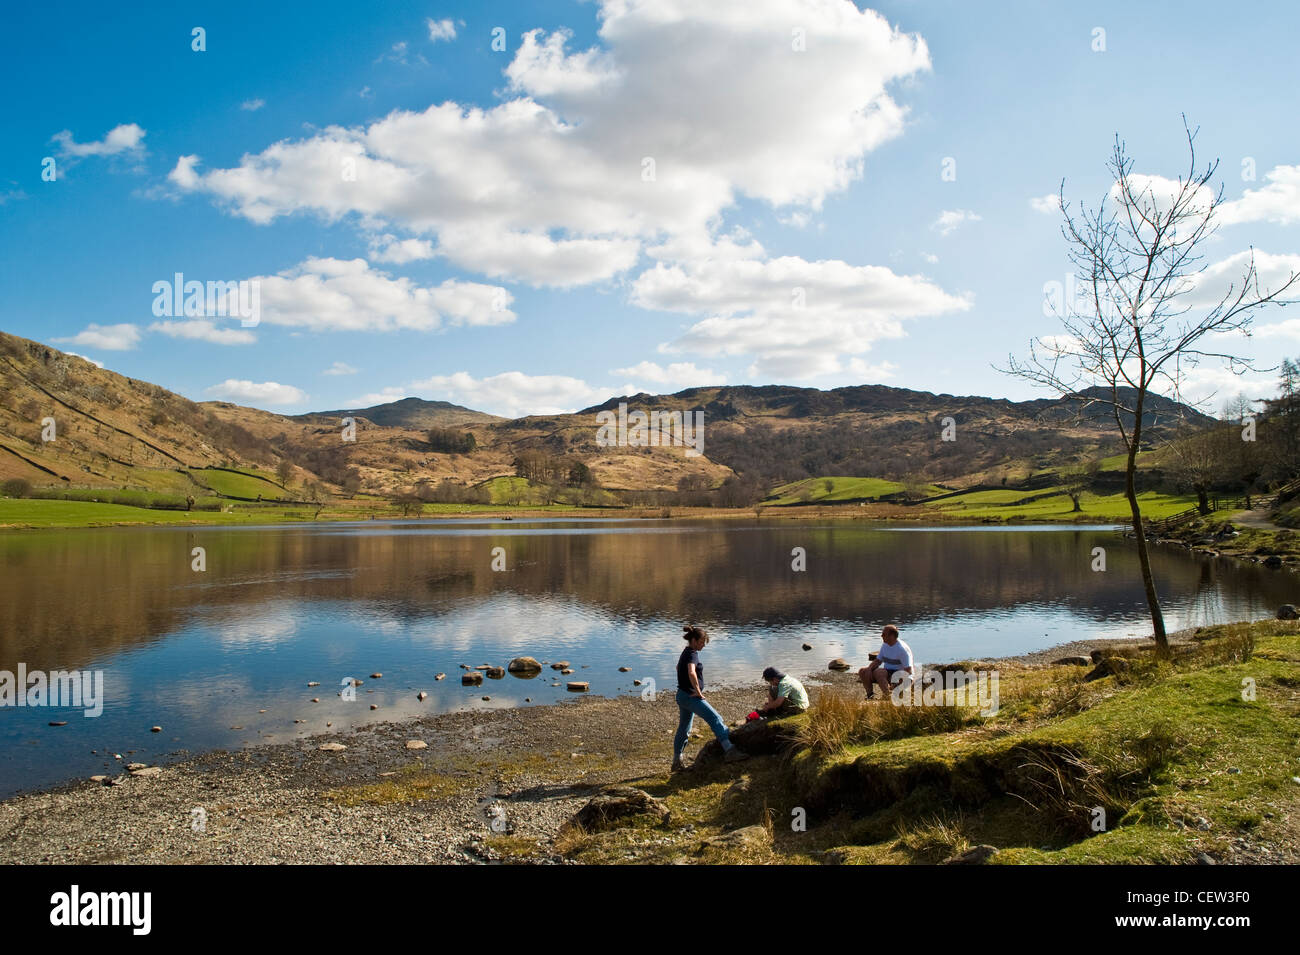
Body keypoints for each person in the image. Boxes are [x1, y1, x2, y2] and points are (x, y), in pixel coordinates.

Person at [673, 624, 748, 771]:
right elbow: (691, 672)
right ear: (694, 640)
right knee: (715, 718)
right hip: (690, 696)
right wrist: (698, 692)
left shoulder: (687, 652)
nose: (703, 646)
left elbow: (678, 667)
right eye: (701, 642)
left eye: (704, 643)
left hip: (682, 695)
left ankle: (677, 761)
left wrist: (686, 684)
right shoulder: (692, 653)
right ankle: (730, 751)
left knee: (684, 728)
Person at [857, 624, 913, 699]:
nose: (881, 636)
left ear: (892, 636)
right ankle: (870, 696)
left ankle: (888, 697)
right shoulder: (885, 645)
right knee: (863, 671)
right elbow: (878, 661)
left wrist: (896, 685)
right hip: (888, 674)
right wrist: (869, 669)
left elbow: (908, 671)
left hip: (901, 677)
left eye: (884, 634)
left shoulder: (902, 650)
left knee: (879, 672)